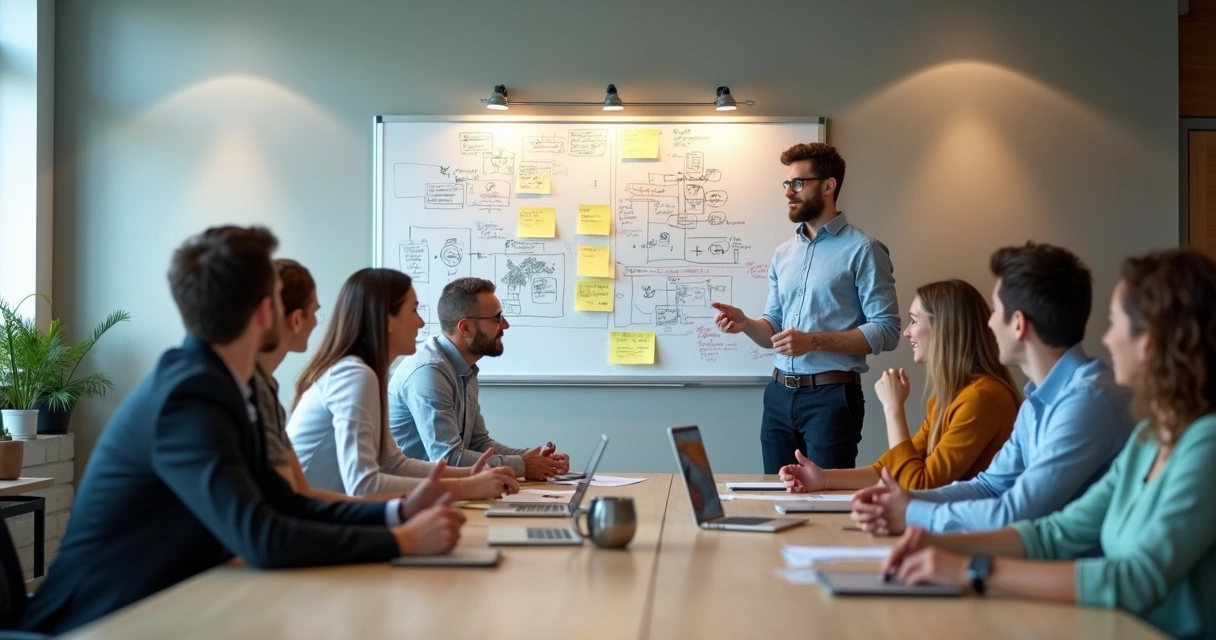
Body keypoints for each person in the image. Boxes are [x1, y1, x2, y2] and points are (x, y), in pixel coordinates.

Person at [20, 227, 464, 635]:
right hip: (100, 624)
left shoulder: (229, 384)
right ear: (266, 311)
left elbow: (285, 502)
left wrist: (397, 514)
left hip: (168, 609)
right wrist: (399, 540)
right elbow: (262, 537)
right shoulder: (189, 396)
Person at [880, 249, 1216, 640]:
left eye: (1114, 323)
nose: (1105, 338)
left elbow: (1134, 579)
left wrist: (972, 567)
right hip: (1102, 621)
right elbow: (1052, 531)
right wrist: (932, 538)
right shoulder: (1148, 438)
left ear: (1150, 344)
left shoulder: (1203, 443)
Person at [851, 242, 1134, 535]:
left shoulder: (1085, 403)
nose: (988, 323)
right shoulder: (1036, 401)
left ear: (1019, 325)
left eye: (996, 310)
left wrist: (911, 511)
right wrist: (905, 501)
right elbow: (990, 486)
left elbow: (1017, 511)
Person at [711, 142, 901, 472]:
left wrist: (813, 341)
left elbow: (887, 329)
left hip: (832, 398)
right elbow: (773, 327)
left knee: (825, 502)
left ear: (829, 186)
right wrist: (746, 325)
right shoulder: (784, 253)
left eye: (798, 183)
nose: (788, 192)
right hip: (778, 397)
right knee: (778, 497)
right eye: (786, 184)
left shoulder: (863, 250)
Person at [286, 269, 519, 499]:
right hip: (307, 523)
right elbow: (363, 485)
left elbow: (394, 464)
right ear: (386, 320)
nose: (420, 323)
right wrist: (466, 487)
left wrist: (473, 473)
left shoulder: (365, 375)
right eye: (414, 311)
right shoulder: (355, 376)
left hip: (329, 515)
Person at [780, 279, 1019, 492]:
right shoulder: (949, 398)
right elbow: (892, 467)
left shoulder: (981, 397)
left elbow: (918, 484)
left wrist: (893, 408)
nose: (906, 332)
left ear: (944, 328)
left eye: (914, 321)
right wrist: (823, 478)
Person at [388, 277, 570, 481]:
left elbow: (478, 443)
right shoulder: (428, 372)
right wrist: (523, 466)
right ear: (465, 328)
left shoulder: (464, 368)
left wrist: (530, 457)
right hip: (410, 498)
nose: (506, 325)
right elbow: (448, 459)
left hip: (440, 490)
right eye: (497, 318)